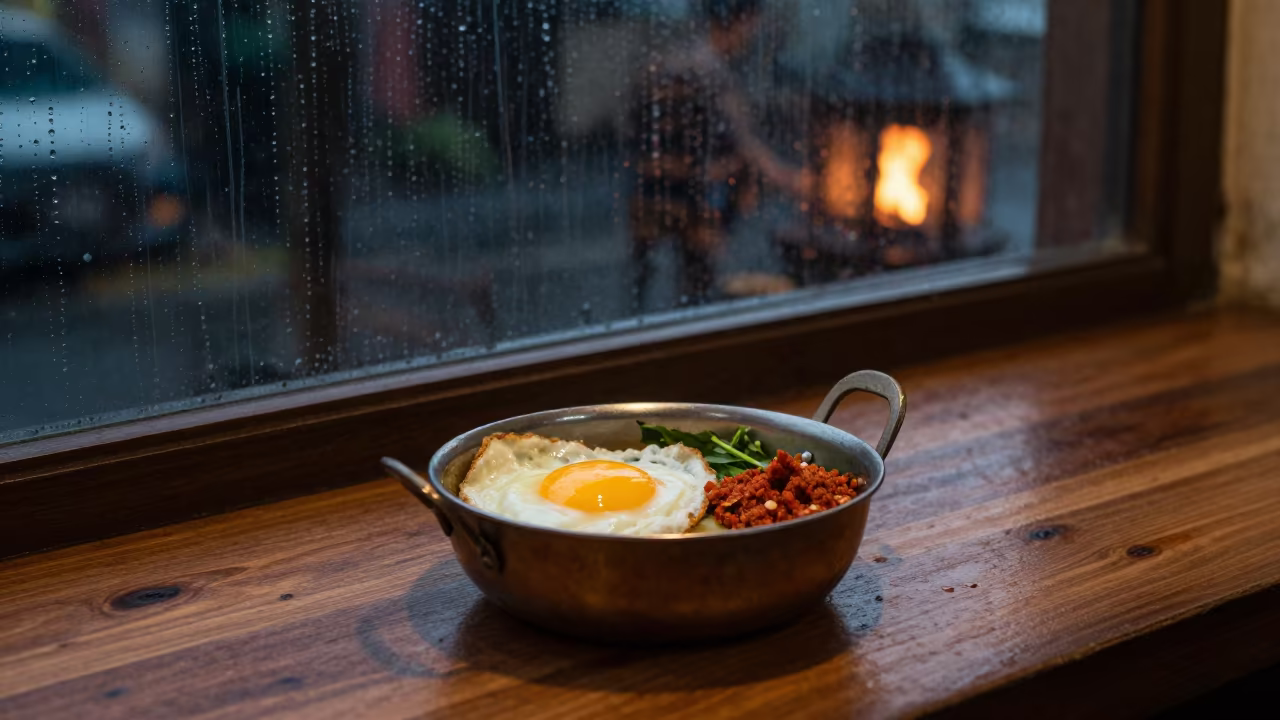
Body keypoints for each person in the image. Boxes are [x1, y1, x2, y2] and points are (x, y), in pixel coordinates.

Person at [628, 0, 810, 309]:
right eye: (753, 25)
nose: (754, 35)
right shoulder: (711, 71)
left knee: (646, 285)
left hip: (647, 190)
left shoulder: (667, 61)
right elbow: (747, 146)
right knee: (695, 285)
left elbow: (632, 126)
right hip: (691, 198)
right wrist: (793, 180)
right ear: (742, 22)